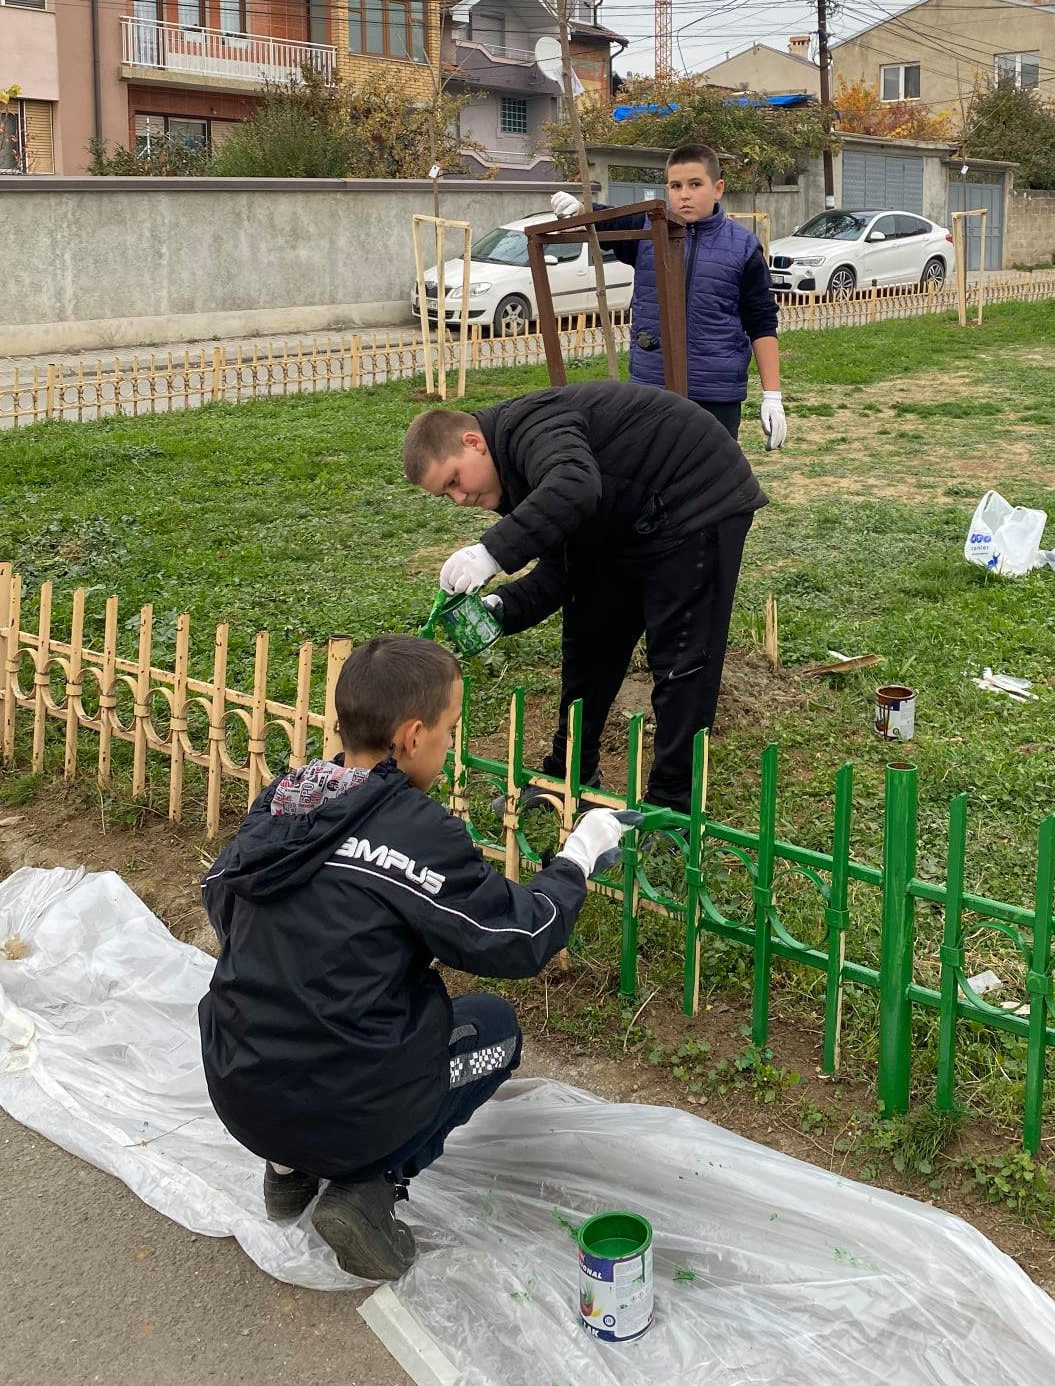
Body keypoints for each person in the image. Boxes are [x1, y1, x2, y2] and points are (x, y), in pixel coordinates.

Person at [198, 634, 632, 1282]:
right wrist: (576, 858)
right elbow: (520, 939)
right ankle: (368, 1189)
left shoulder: (286, 800)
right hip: (346, 1106)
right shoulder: (415, 833)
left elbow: (218, 899)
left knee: (304, 1004)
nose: (450, 746)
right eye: (449, 730)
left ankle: (287, 1173)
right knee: (493, 1029)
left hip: (236, 1087)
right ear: (410, 736)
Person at [404, 381, 766, 812]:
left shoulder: (532, 426)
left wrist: (492, 551)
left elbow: (575, 485)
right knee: (589, 643)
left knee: (681, 661)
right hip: (624, 523)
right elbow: (565, 568)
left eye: (455, 481)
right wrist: (501, 609)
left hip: (695, 498)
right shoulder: (514, 477)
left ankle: (673, 808)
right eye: (446, 495)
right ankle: (569, 775)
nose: (460, 498)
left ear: (473, 442)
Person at [551, 142, 787, 448]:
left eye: (695, 184)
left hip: (715, 393)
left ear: (718, 189)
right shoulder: (647, 230)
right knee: (654, 480)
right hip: (652, 387)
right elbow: (607, 219)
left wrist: (772, 396)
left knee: (711, 482)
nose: (684, 194)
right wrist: (579, 208)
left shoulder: (742, 247)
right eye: (676, 186)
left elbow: (761, 322)